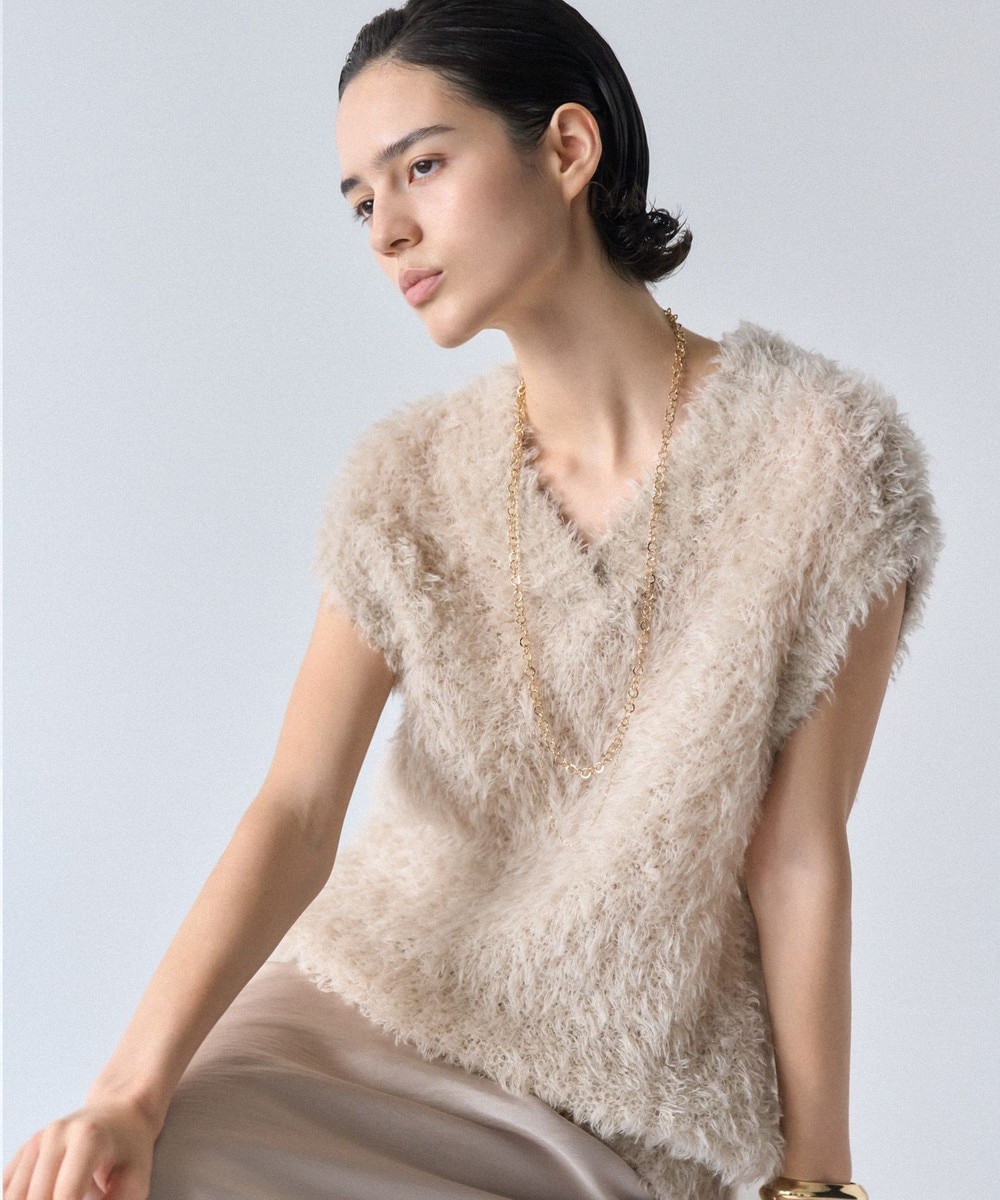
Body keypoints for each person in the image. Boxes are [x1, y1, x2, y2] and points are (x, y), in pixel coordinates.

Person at [4, 2, 943, 1199]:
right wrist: (128, 1095)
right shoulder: (401, 482)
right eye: (360, 202)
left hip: (632, 1090)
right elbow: (297, 808)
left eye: (422, 168)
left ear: (567, 149)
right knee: (131, 1177)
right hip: (368, 1001)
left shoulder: (825, 455)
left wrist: (817, 1181)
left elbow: (797, 855)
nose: (388, 230)